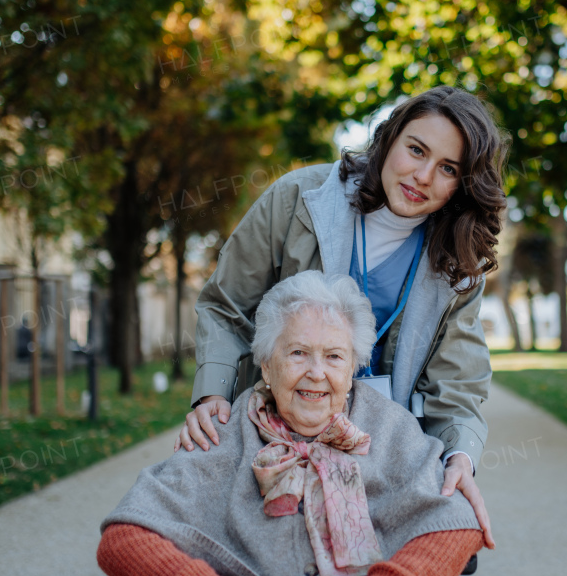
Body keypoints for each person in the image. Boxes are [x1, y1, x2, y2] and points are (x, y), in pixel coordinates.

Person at [98, 271, 484, 576]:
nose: (316, 373)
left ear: (355, 364)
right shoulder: (220, 436)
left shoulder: (391, 429)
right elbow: (124, 540)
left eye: (334, 357)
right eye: (298, 352)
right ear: (266, 364)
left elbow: (453, 524)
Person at [178, 86, 507, 547]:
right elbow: (226, 305)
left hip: (381, 449)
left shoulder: (460, 265)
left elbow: (457, 384)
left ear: (463, 184)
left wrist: (460, 456)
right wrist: (212, 394)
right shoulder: (298, 200)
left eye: (448, 168)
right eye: (416, 150)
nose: (423, 175)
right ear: (390, 139)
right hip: (275, 426)